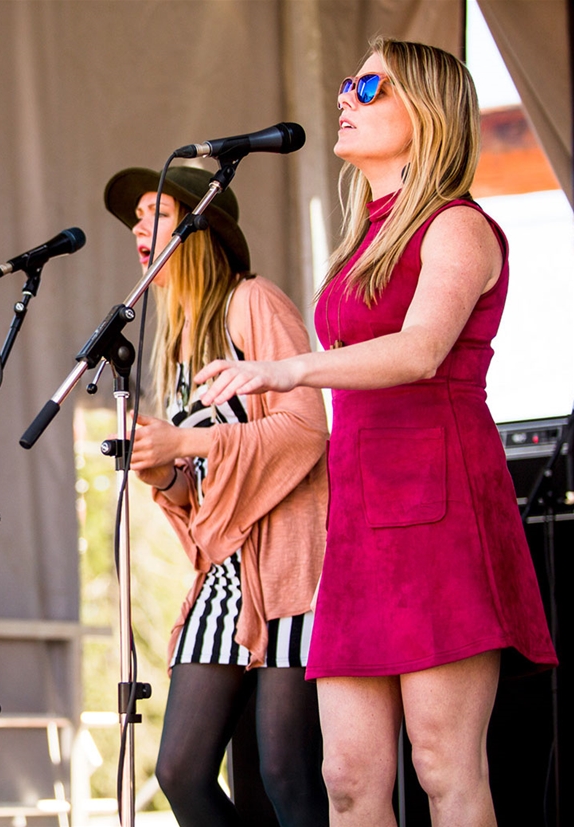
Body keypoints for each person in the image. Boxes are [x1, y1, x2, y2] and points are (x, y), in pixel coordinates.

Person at [195, 38, 557, 826]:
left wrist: (287, 369)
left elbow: (421, 349)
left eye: (368, 86)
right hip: (358, 523)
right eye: (346, 86)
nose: (343, 99)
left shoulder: (457, 226)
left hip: (440, 508)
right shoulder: (365, 238)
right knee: (349, 779)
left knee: (442, 764)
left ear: (424, 111)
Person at [103, 165, 330, 825]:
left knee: (282, 773)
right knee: (181, 770)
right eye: (137, 218)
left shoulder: (252, 300)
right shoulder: (177, 344)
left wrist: (186, 445)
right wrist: (161, 473)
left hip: (290, 565)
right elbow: (201, 488)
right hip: (225, 575)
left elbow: (304, 428)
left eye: (158, 213)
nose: (139, 228)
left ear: (203, 228)